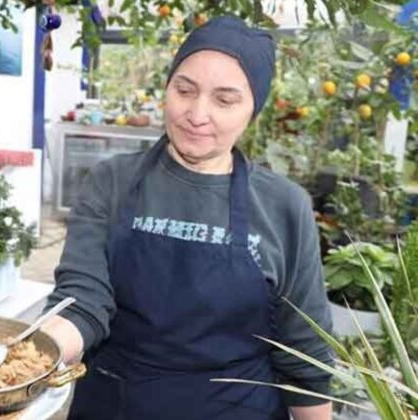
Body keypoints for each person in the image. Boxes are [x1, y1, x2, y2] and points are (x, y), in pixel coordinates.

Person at [40, 16, 334, 420]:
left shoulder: (285, 206)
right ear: (167, 89)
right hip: (116, 404)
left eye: (225, 100)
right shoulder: (112, 181)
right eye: (184, 90)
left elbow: (306, 358)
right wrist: (34, 351)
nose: (197, 114)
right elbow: (82, 300)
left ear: (253, 110)